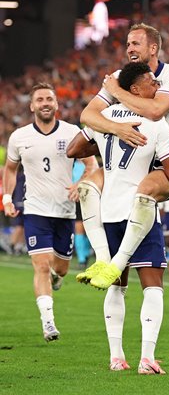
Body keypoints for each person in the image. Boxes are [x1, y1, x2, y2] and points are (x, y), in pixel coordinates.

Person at [67, 62, 169, 374]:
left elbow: (73, 148)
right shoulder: (156, 123)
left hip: (108, 213)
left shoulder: (103, 117)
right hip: (141, 213)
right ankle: (147, 358)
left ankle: (116, 357)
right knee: (153, 287)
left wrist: (103, 132)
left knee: (116, 288)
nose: (155, 85)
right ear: (134, 89)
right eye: (150, 81)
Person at [72, 23, 169, 284]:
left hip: (163, 160)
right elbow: (86, 115)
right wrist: (118, 129)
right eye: (127, 44)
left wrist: (116, 92)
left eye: (135, 43)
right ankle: (103, 259)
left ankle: (118, 262)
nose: (129, 49)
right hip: (131, 158)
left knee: (144, 191)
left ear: (153, 47)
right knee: (87, 189)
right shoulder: (119, 75)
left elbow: (156, 111)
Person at [2, 82, 97, 342]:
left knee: (61, 269)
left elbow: (91, 164)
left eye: (49, 99)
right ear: (32, 105)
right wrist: (7, 197)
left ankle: (58, 277)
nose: (45, 103)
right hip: (34, 210)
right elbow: (10, 169)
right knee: (41, 266)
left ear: (56, 104)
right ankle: (48, 323)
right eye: (40, 99)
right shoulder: (19, 137)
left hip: (65, 211)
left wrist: (81, 183)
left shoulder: (72, 132)